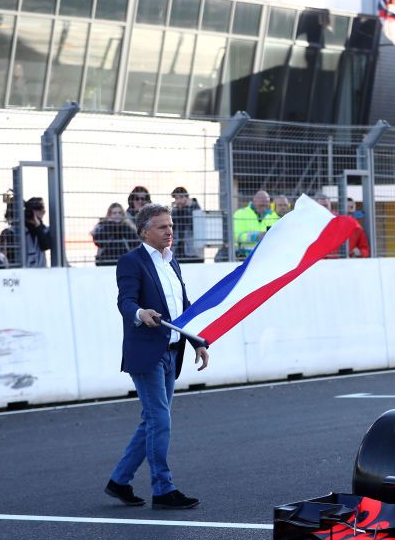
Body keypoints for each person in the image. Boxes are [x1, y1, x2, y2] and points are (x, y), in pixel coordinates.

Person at [107, 203, 209, 510]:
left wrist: (198, 342)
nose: (170, 231)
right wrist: (140, 312)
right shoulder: (131, 262)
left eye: (172, 226)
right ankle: (163, 489)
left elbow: (183, 306)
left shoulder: (171, 261)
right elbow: (124, 301)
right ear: (144, 231)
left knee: (152, 422)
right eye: (163, 227)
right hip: (147, 354)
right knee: (159, 421)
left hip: (173, 352)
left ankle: (119, 481)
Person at [0, 197, 51, 268]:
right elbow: (6, 256)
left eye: (42, 208)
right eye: (37, 209)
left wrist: (37, 225)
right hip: (19, 273)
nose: (42, 211)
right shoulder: (9, 233)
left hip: (40, 272)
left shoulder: (43, 229)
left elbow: (46, 246)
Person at [232, 190, 279, 259]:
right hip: (244, 256)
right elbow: (236, 236)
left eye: (266, 202)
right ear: (254, 201)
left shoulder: (274, 216)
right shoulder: (240, 214)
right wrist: (255, 236)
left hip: (267, 256)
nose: (264, 204)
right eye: (261, 201)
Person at [170, 186, 201, 261]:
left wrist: (187, 208)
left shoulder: (195, 208)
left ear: (187, 197)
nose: (179, 201)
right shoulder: (174, 211)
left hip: (192, 250)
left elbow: (194, 226)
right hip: (177, 249)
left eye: (181, 197)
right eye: (176, 198)